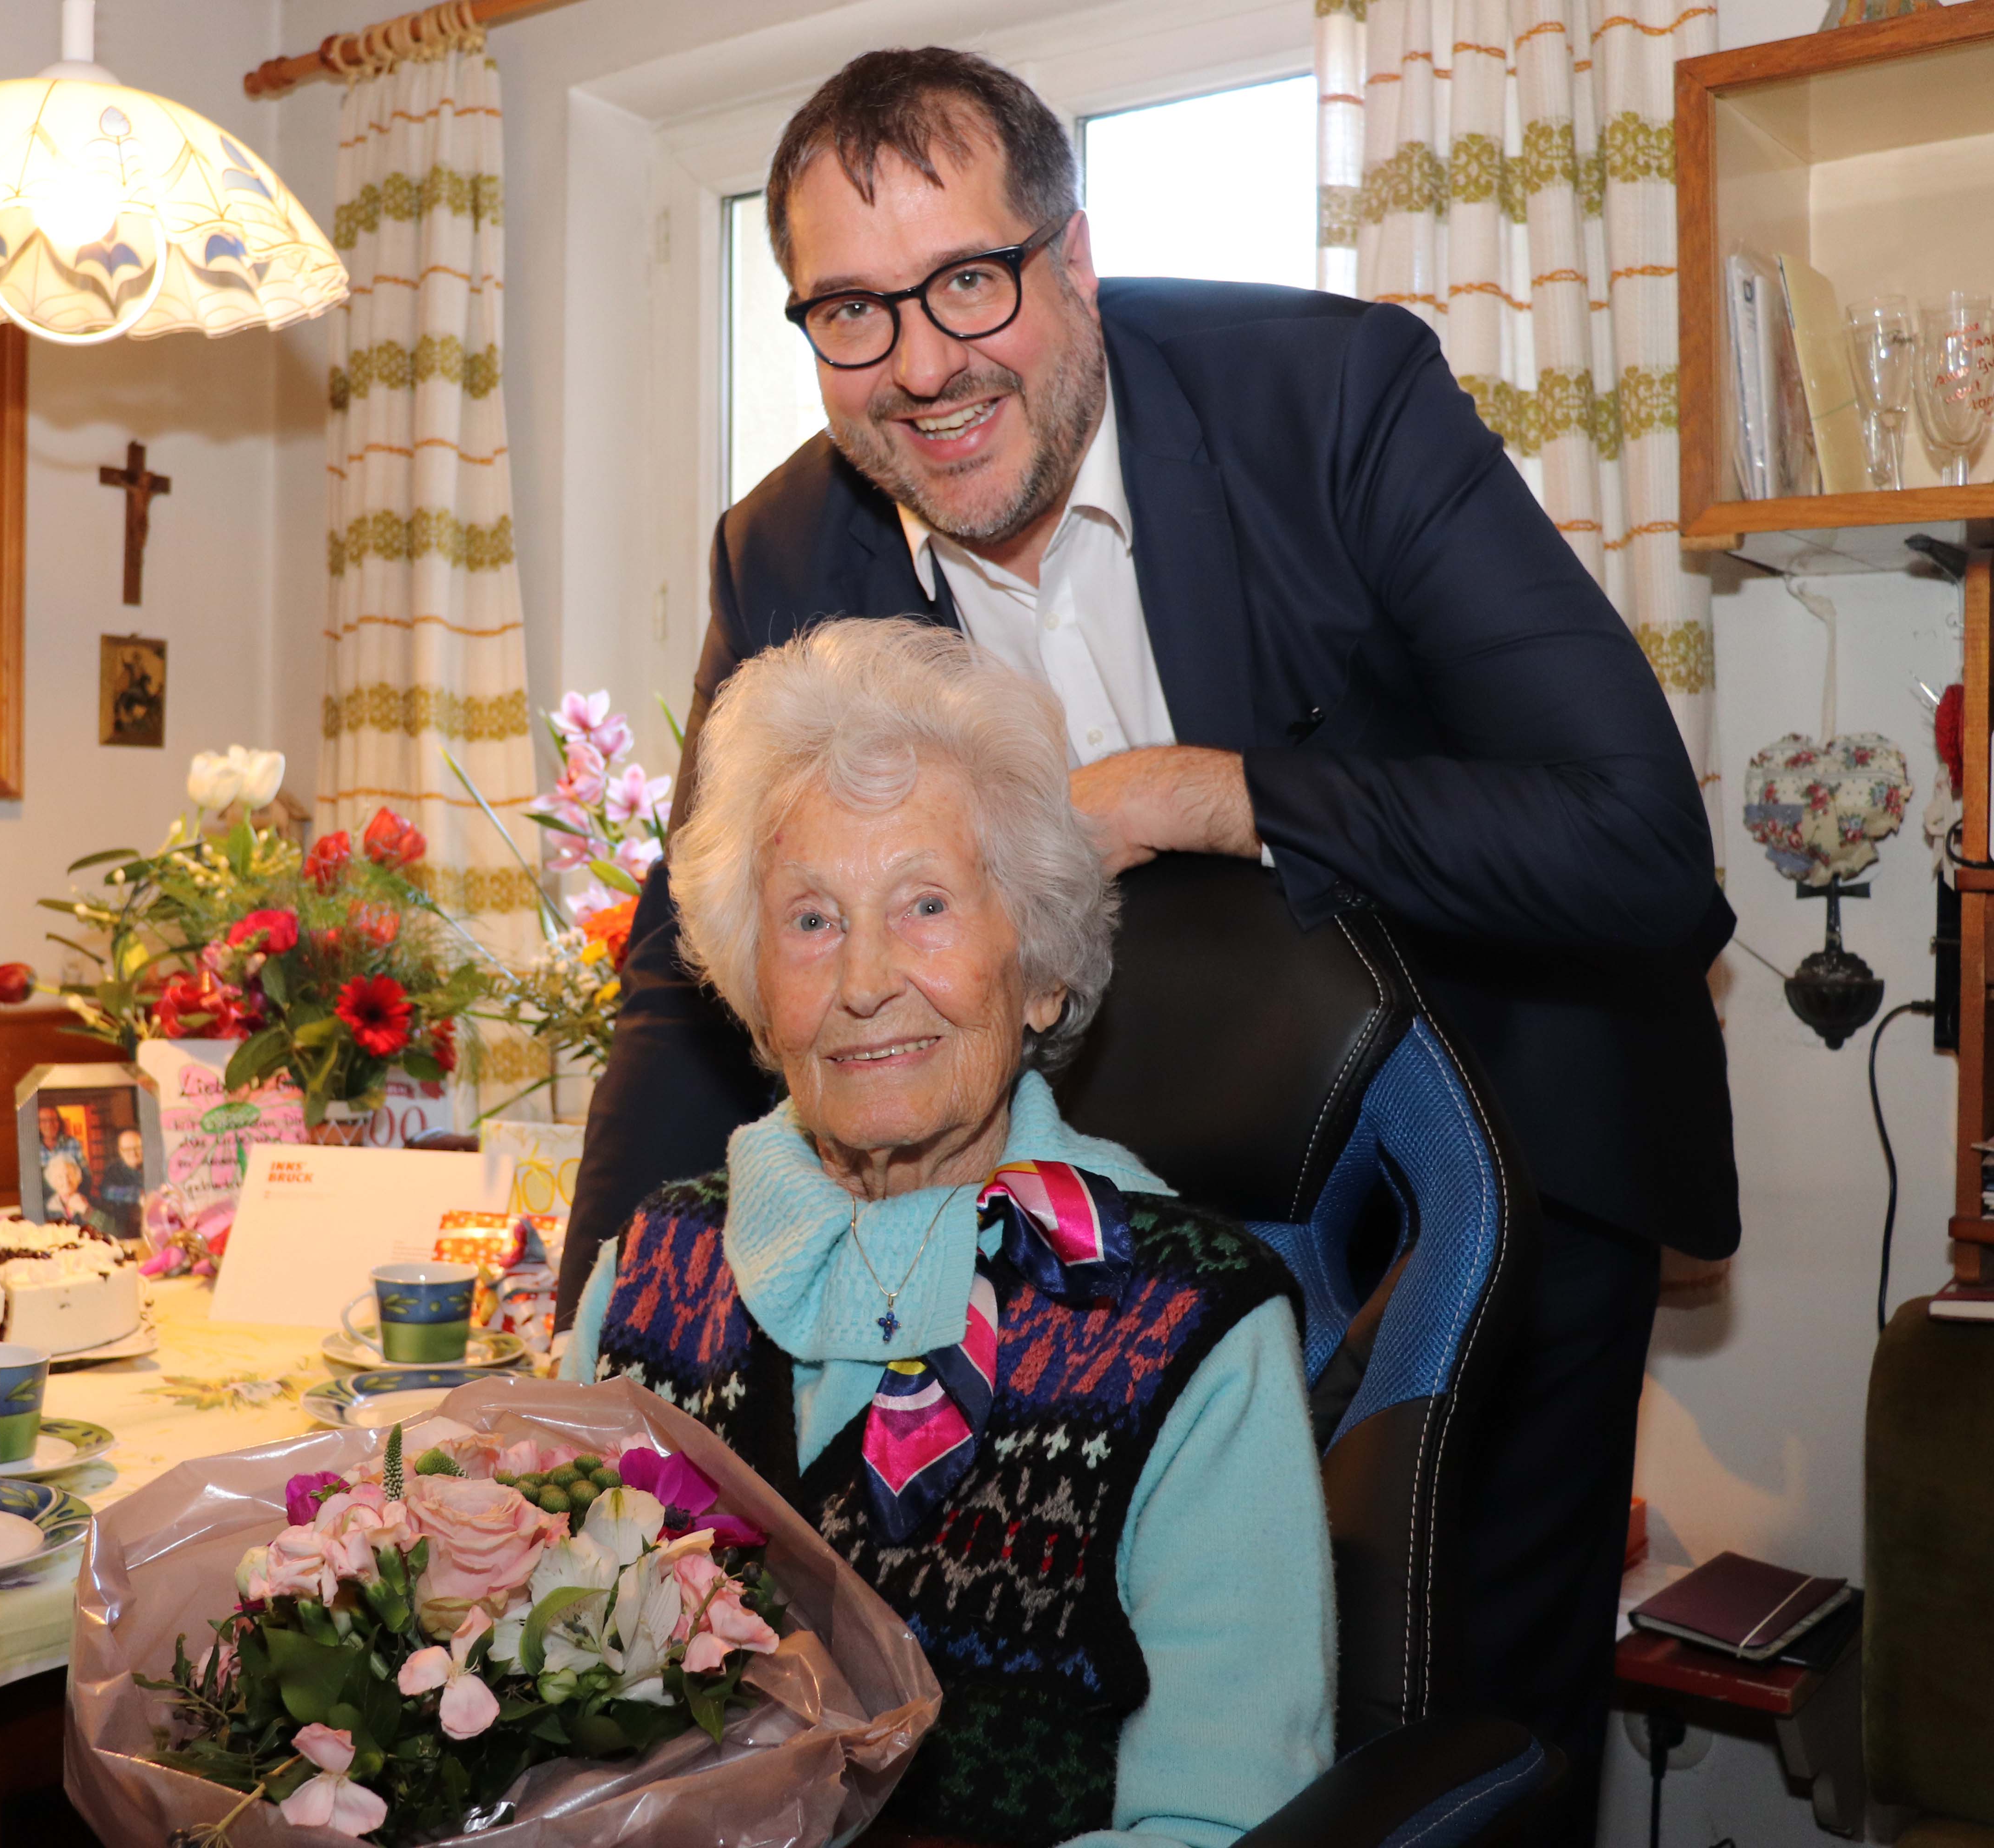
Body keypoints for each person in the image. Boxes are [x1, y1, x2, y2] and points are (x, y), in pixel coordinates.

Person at [562, 48, 1737, 1848]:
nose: (929, 364)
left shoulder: (1334, 399)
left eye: (972, 280)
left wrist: (1209, 792)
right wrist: (579, 1378)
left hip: (1483, 1163)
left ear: (1075, 256)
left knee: (1475, 1720)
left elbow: (1639, 844)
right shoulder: (787, 542)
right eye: (853, 313)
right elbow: (681, 970)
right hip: (1089, 1214)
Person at [563, 621, 1335, 1848]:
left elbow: (1218, 1822)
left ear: (1037, 972)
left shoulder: (1189, 1328)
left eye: (924, 904)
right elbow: (543, 1717)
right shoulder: (651, 1276)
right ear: (760, 995)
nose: (867, 979)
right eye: (810, 921)